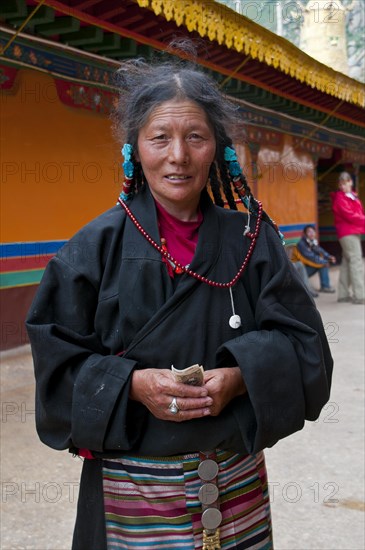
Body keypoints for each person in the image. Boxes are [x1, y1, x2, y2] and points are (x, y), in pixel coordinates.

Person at [26, 55, 333, 550]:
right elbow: (56, 367)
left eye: (196, 137)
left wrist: (240, 377)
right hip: (129, 490)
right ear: (134, 149)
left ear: (218, 150)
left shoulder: (253, 241)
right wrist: (133, 384)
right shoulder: (92, 248)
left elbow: (307, 349)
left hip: (232, 484)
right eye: (160, 138)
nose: (178, 156)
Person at [331, 171, 365, 305]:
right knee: (356, 261)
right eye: (341, 184)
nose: (343, 186)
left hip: (352, 231)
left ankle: (343, 294)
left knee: (346, 263)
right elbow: (350, 215)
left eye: (345, 183)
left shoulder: (352, 196)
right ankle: (360, 295)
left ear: (351, 182)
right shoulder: (341, 198)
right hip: (347, 232)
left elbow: (357, 214)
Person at [296, 225, 336, 293]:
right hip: (301, 271)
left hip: (308, 267)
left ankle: (325, 287)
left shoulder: (312, 242)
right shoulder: (301, 244)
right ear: (305, 234)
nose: (311, 233)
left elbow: (320, 251)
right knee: (324, 263)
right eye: (309, 232)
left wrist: (329, 257)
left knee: (324, 264)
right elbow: (310, 256)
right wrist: (324, 260)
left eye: (313, 231)